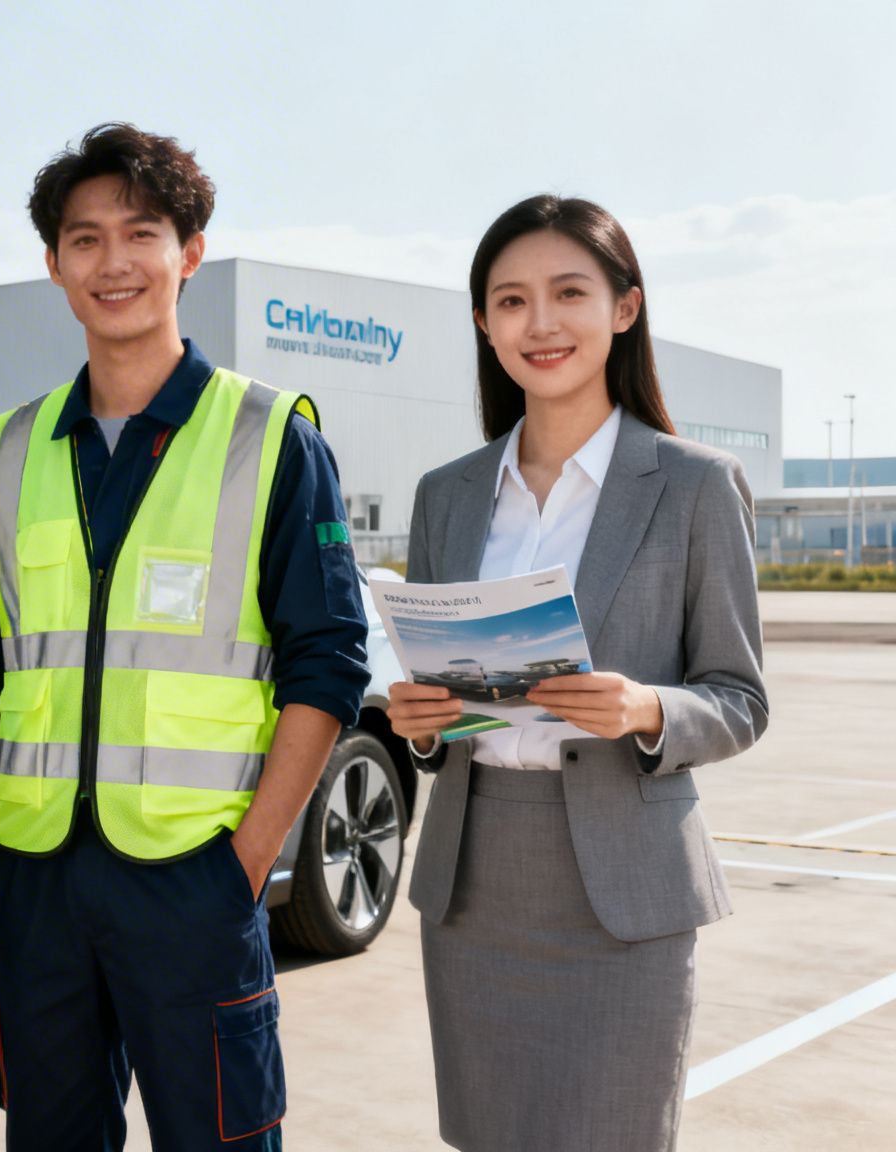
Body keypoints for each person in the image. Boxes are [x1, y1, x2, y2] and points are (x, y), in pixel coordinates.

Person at [0, 122, 368, 1151]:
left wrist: (246, 861)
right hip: (37, 877)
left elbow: (327, 664)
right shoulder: (6, 449)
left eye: (140, 233)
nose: (113, 262)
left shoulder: (270, 439)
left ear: (190, 251)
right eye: (84, 239)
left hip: (193, 874)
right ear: (53, 265)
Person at [387, 195, 768, 1151]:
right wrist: (422, 723)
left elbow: (739, 698)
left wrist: (645, 709)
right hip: (475, 885)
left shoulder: (694, 484)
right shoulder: (447, 494)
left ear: (624, 308)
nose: (540, 323)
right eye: (511, 301)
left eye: (569, 293)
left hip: (622, 890)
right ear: (485, 324)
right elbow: (443, 700)